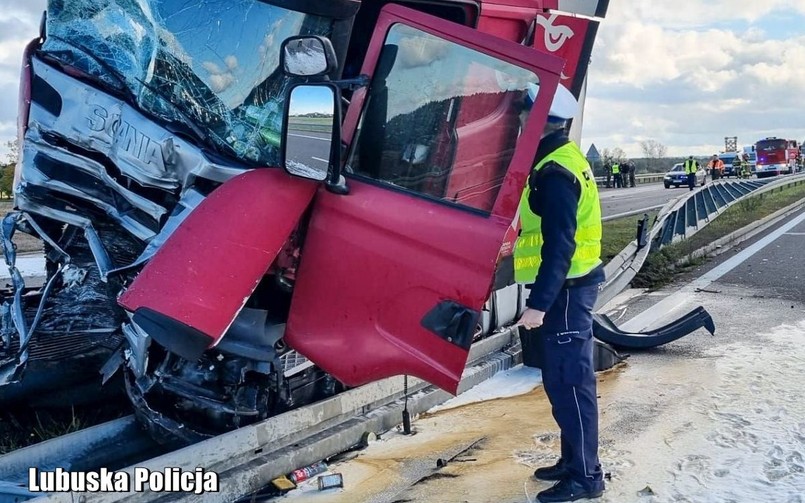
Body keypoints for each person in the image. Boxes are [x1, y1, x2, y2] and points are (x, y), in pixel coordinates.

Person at [515, 83, 606, 502]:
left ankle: (587, 477)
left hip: (567, 294)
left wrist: (538, 305)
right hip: (572, 290)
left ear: (540, 122)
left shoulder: (554, 173)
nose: (517, 121)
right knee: (566, 382)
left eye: (523, 115)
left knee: (571, 384)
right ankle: (573, 463)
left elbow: (560, 245)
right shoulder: (562, 159)